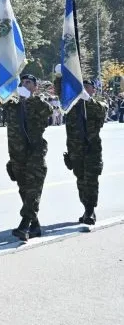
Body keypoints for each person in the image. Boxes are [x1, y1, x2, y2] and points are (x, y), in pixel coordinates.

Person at [0, 72, 54, 241]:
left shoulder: (39, 103)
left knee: (33, 190)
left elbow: (48, 111)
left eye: (29, 82)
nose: (25, 84)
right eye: (23, 82)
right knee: (24, 190)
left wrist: (30, 97)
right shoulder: (12, 104)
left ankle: (25, 224)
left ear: (35, 87)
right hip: (16, 155)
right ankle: (34, 226)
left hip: (34, 153)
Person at [55, 71, 107, 225]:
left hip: (92, 150)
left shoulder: (99, 104)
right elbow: (60, 93)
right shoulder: (71, 105)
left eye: (86, 86)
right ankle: (86, 208)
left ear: (93, 90)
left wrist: (88, 100)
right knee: (80, 181)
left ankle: (90, 210)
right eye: (81, 86)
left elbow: (101, 113)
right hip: (75, 150)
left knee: (91, 181)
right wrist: (59, 77)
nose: (83, 89)